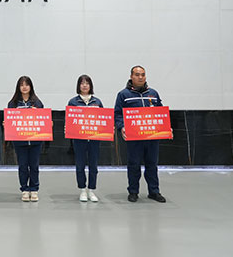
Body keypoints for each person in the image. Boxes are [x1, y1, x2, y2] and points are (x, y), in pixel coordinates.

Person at [114, 65, 166, 203]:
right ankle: (133, 192)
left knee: (152, 165)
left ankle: (154, 192)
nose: (140, 77)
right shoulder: (123, 95)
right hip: (134, 138)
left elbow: (161, 113)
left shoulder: (153, 94)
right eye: (137, 75)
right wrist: (122, 127)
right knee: (134, 165)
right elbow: (118, 114)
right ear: (131, 76)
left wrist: (166, 127)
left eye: (143, 74)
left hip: (152, 137)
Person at [7, 76, 44, 202]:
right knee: (22, 166)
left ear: (31, 87)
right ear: (18, 87)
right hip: (19, 141)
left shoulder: (37, 103)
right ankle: (24, 189)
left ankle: (34, 189)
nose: (24, 87)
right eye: (22, 85)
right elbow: (9, 121)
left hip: (35, 141)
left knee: (34, 166)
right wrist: (6, 123)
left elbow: (43, 120)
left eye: (26, 84)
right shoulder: (13, 104)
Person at [68, 74, 104, 202]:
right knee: (80, 165)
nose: (84, 85)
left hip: (94, 139)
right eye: (82, 83)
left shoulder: (97, 102)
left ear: (90, 86)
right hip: (79, 139)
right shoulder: (73, 102)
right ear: (78, 86)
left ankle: (91, 190)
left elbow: (103, 119)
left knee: (93, 166)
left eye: (87, 83)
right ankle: (82, 190)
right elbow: (70, 120)